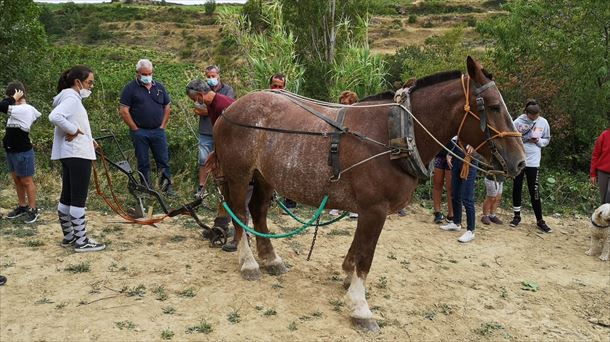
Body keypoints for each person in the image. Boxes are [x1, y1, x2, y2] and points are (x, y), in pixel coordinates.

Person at [49, 65, 105, 252]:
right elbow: (55, 116)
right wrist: (73, 130)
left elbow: (75, 123)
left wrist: (90, 139)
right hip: (77, 154)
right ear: (78, 82)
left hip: (69, 153)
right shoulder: (72, 98)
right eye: (89, 82)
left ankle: (69, 237)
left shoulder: (67, 97)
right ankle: (82, 241)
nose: (91, 86)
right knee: (78, 199)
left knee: (67, 197)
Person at [186, 78, 239, 252]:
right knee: (223, 189)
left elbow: (232, 134)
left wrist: (218, 154)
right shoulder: (213, 105)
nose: (195, 103)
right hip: (225, 151)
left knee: (232, 191)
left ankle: (237, 232)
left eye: (194, 99)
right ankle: (221, 224)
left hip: (234, 153)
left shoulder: (222, 105)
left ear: (200, 95)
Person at [119, 59, 175, 196]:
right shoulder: (130, 88)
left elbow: (167, 106)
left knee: (163, 160)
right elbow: (124, 110)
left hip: (158, 131)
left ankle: (166, 188)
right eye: (144, 73)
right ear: (137, 73)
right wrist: (135, 128)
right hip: (140, 131)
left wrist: (162, 126)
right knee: (143, 161)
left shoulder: (159, 87)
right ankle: (146, 189)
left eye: (150, 73)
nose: (147, 76)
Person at [1, 82, 40, 223]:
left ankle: (33, 209)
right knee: (17, 179)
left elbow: (2, 106)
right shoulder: (18, 109)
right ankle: (22, 206)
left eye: (9, 96)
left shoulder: (25, 109)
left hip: (22, 152)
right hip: (11, 150)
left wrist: (13, 99)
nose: (8, 99)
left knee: (26, 180)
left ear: (17, 95)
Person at [510, 99, 552, 233]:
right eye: (532, 115)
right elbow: (511, 138)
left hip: (534, 160)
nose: (535, 117)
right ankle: (516, 216)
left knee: (534, 190)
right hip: (519, 159)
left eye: (537, 115)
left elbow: (547, 139)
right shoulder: (517, 122)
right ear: (526, 113)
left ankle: (540, 220)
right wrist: (524, 138)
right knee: (517, 186)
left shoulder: (543, 122)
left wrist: (538, 140)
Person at [195, 65, 236, 194]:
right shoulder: (201, 90)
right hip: (206, 131)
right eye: (208, 76)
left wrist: (209, 108)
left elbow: (228, 109)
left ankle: (220, 188)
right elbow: (197, 108)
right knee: (203, 160)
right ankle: (202, 188)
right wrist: (214, 108)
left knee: (222, 160)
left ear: (219, 75)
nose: (211, 78)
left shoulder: (228, 90)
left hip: (223, 133)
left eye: (213, 76)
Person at [440, 138, 478, 243]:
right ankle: (456, 222)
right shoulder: (462, 124)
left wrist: (475, 145)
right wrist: (450, 153)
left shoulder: (477, 126)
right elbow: (457, 139)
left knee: (467, 198)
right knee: (454, 193)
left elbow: (483, 141)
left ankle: (471, 230)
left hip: (470, 160)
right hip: (457, 158)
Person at [431, 143, 454, 224]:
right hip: (440, 154)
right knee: (437, 183)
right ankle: (437, 212)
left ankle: (451, 214)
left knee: (450, 187)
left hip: (453, 155)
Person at [590, 127, 610, 204]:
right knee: (603, 200)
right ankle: (602, 216)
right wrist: (593, 174)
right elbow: (595, 155)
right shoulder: (604, 135)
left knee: (609, 198)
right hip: (602, 172)